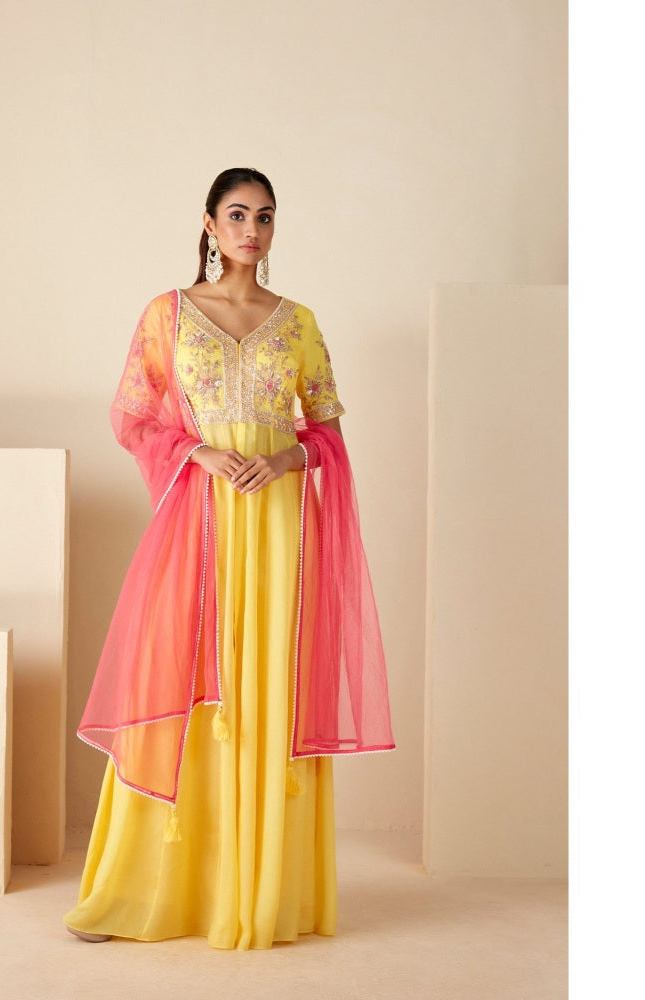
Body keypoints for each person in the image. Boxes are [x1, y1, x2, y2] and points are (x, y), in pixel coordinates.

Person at [63, 167, 394, 950]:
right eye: (238, 215)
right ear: (209, 224)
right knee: (180, 678)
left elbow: (328, 434)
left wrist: (283, 460)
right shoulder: (169, 315)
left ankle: (261, 890)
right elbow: (131, 417)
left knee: (267, 686)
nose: (252, 229)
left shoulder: (298, 322)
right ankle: (144, 887)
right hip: (200, 519)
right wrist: (200, 452)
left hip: (278, 527)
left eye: (265, 217)